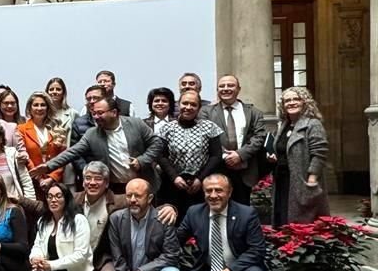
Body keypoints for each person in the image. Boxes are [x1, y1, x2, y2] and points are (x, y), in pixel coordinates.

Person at [178, 174, 271, 271]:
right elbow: (176, 239)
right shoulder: (194, 213)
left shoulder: (246, 214)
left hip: (242, 269)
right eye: (209, 191)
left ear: (229, 192)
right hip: (210, 270)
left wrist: (232, 270)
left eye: (219, 190)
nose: (213, 195)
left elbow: (257, 249)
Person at [33, 96, 164, 194]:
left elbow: (157, 143)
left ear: (114, 112)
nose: (96, 117)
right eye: (94, 113)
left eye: (100, 113)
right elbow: (72, 152)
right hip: (114, 189)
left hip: (143, 185)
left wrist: (142, 161)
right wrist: (48, 166)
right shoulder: (92, 134)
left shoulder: (136, 124)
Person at [201, 75, 268, 205]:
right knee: (216, 206)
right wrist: (226, 156)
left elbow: (259, 136)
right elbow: (204, 137)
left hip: (244, 169)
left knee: (242, 209)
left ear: (238, 89)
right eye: (222, 86)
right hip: (217, 168)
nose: (225, 89)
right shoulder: (206, 112)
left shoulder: (254, 112)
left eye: (230, 85)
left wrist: (240, 155)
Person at [21, 183, 93, 271]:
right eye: (50, 196)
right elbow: (38, 245)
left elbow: (81, 255)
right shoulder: (43, 221)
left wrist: (51, 265)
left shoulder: (79, 220)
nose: (53, 200)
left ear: (66, 199)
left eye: (58, 196)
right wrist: (36, 258)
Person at [157, 90, 223, 219]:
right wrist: (175, 177)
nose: (188, 107)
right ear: (178, 104)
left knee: (200, 223)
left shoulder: (209, 127)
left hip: (201, 185)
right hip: (172, 184)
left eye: (193, 104)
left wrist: (200, 179)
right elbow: (161, 156)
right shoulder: (166, 128)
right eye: (185, 103)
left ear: (199, 107)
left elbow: (216, 156)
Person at [270, 86, 329, 225]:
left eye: (296, 99)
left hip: (302, 181)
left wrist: (312, 179)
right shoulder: (284, 125)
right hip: (283, 180)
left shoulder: (313, 124)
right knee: (282, 216)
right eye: (287, 100)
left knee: (302, 220)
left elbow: (319, 153)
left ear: (305, 102)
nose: (291, 103)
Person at [17, 92, 66, 200]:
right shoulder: (21, 129)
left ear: (48, 108)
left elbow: (63, 157)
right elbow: (25, 157)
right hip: (32, 182)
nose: (39, 108)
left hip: (55, 182)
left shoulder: (57, 128)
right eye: (35, 105)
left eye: (43, 105)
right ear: (29, 109)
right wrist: (39, 179)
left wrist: (52, 178)